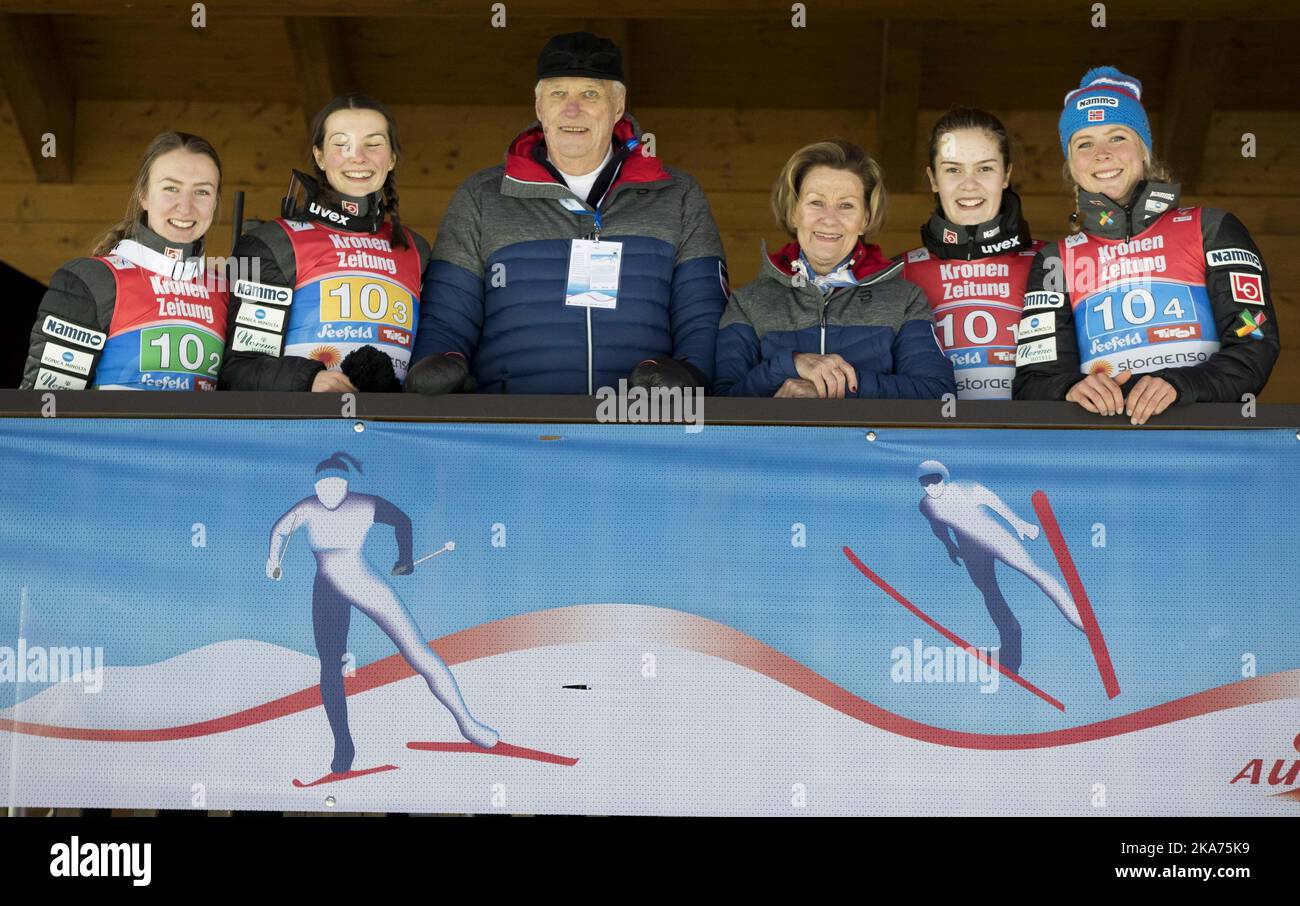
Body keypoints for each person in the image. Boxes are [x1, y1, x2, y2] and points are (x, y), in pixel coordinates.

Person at [408, 31, 728, 396]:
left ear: (618, 105)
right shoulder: (482, 197)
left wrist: (690, 376)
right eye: (558, 93)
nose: (572, 109)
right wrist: (434, 369)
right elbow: (446, 318)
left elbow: (703, 316)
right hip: (513, 430)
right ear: (539, 106)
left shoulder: (677, 195)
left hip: (641, 428)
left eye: (590, 94)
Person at [1014, 67, 1279, 424]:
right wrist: (1069, 388)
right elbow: (1034, 380)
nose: (1102, 154)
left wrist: (1182, 384)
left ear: (1144, 151)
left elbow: (1254, 337)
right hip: (1104, 454)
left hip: (1205, 443)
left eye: (1118, 137)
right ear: (1072, 165)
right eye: (1085, 143)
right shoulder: (1055, 260)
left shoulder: (1210, 227)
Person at [268, 452, 498, 775]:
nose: (328, 493)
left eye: (335, 485)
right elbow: (279, 531)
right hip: (327, 590)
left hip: (363, 581)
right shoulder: (307, 507)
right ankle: (343, 744)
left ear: (346, 485)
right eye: (322, 486)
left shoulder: (364, 504)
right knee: (329, 668)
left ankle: (467, 722)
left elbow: (403, 521)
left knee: (417, 651)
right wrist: (272, 561)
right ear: (316, 487)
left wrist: (405, 559)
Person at [219, 94, 431, 393]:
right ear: (319, 156)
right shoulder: (273, 242)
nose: (358, 156)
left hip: (390, 430)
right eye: (341, 143)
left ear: (392, 157)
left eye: (373, 144)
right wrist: (310, 379)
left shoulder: (416, 249)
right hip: (304, 430)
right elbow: (239, 368)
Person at [713, 140, 955, 399]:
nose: (829, 218)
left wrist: (835, 389)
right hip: (781, 442)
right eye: (816, 202)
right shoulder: (748, 302)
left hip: (864, 441)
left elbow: (937, 395)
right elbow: (722, 401)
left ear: (866, 218)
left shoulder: (905, 299)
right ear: (793, 212)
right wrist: (790, 364)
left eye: (846, 205)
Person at [20, 132, 229, 391]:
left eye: (202, 192)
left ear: (216, 201)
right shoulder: (92, 281)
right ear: (143, 194)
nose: (185, 207)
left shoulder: (226, 290)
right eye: (171, 188)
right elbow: (42, 408)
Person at [902, 109, 1046, 400]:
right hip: (936, 441)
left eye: (984, 168)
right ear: (933, 179)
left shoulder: (1050, 261)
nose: (969, 184)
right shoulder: (900, 273)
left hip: (1031, 439)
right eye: (953, 169)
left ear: (1006, 175)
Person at [916, 460, 1082, 674]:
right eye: (925, 484)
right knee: (990, 593)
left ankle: (1081, 622)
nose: (931, 488)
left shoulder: (965, 489)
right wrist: (949, 546)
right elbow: (938, 527)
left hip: (994, 538)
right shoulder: (926, 505)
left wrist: (1019, 524)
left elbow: (994, 502)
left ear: (943, 478)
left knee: (1034, 573)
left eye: (934, 481)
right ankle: (1011, 655)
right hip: (970, 551)